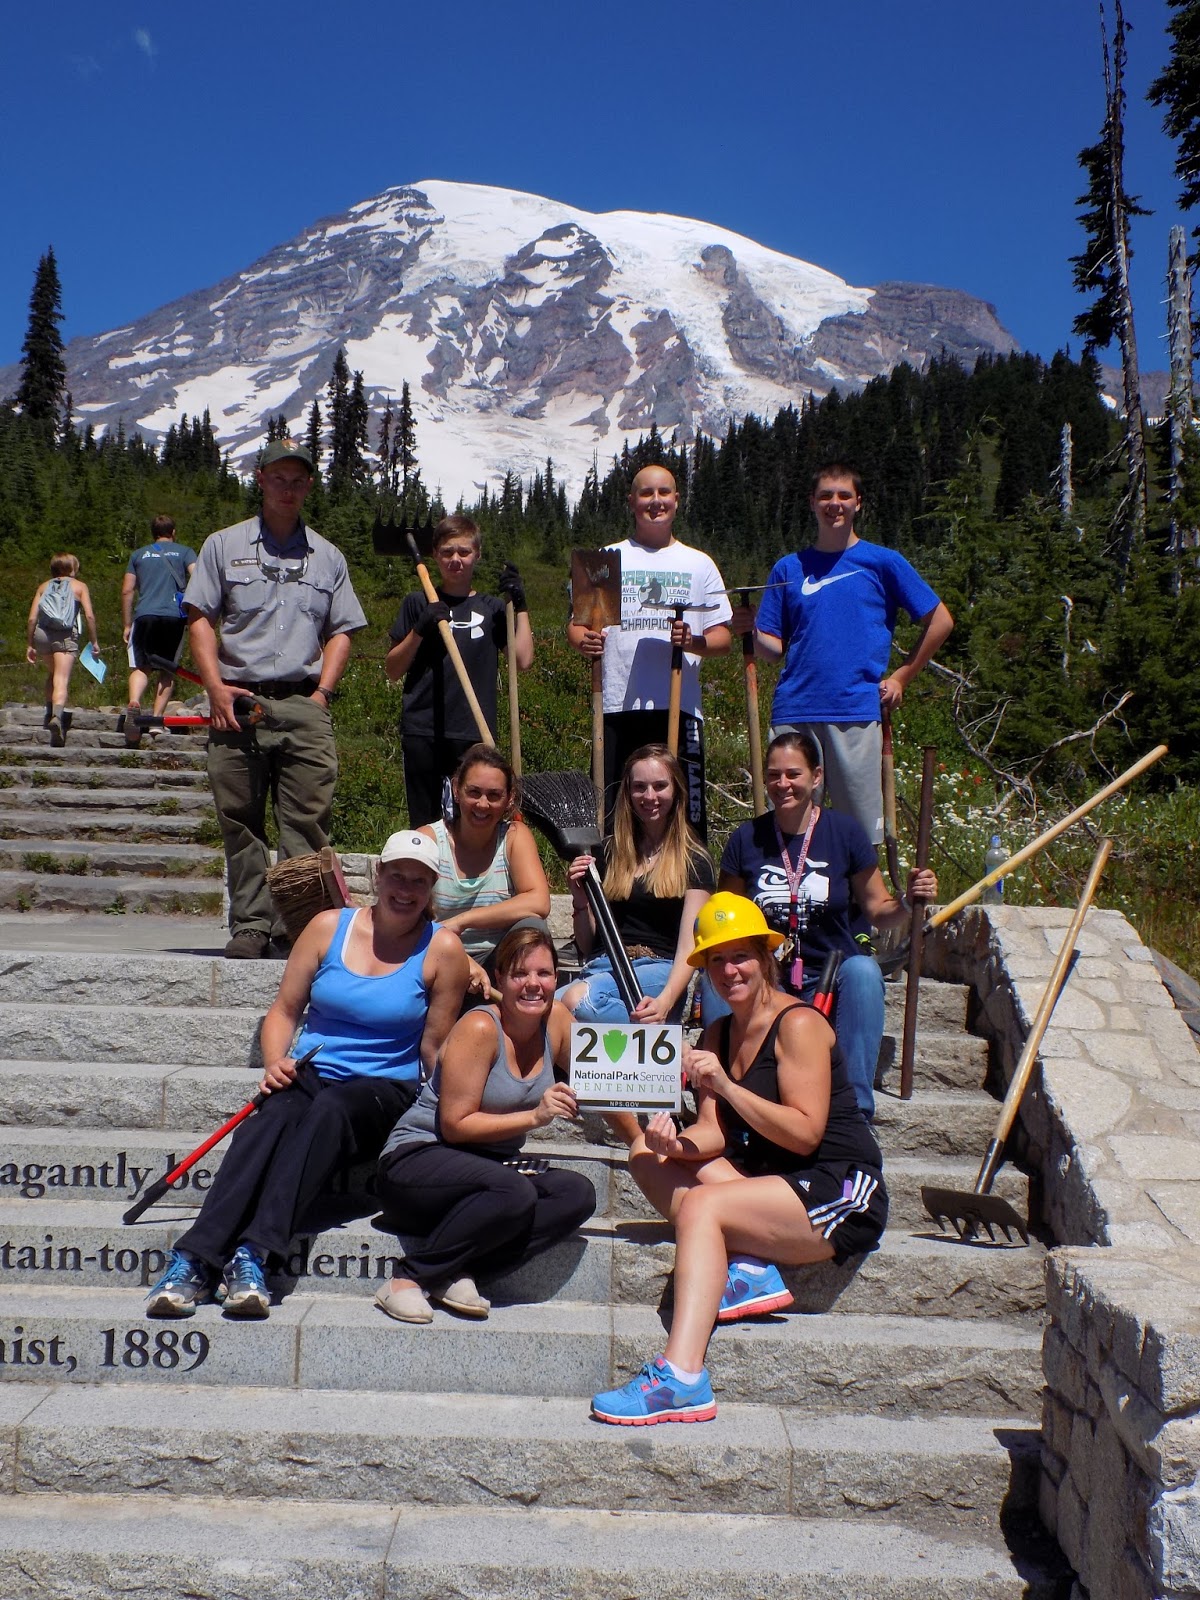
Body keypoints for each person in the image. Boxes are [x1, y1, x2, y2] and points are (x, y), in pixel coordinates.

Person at [145, 830, 469, 1320]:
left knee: (331, 1111)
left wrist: (450, 1117)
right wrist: (275, 1062)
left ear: (432, 889)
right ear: (378, 877)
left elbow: (435, 1047)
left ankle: (255, 1252)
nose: (405, 890)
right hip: (313, 1068)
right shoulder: (325, 927)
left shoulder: (443, 949)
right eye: (397, 876)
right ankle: (194, 1258)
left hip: (384, 1088)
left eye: (418, 882)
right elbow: (283, 1011)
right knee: (270, 1117)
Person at [590, 893, 887, 1426]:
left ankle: (682, 1376)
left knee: (703, 1206)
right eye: (716, 960)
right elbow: (710, 1135)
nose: (729, 970)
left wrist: (725, 1085)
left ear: (765, 957)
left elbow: (804, 1133)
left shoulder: (797, 1024)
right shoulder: (718, 1033)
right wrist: (671, 1146)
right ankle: (748, 1267)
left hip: (839, 1188)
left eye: (740, 955)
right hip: (775, 1183)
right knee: (642, 1155)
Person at [183, 439, 367, 960]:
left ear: (309, 485)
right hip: (236, 702)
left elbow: (343, 629)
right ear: (260, 479)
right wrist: (214, 686)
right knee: (240, 819)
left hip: (302, 703)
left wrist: (323, 693)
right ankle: (250, 924)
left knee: (306, 821)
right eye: (278, 478)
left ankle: (297, 927)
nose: (288, 488)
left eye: (298, 480)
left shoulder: (328, 556)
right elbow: (199, 617)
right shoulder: (222, 545)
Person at [374, 926, 597, 1323]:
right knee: (514, 1193)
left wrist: (653, 1045)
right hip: (418, 1160)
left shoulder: (558, 1021)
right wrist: (535, 1116)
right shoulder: (480, 1028)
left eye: (544, 974)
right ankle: (406, 1280)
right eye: (519, 974)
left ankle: (458, 1270)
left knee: (575, 1193)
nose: (533, 985)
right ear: (499, 979)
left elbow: (608, 1078)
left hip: (487, 1177)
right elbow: (455, 1125)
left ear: (557, 979)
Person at [718, 730, 937, 1120]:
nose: (782, 784)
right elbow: (726, 917)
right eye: (773, 775)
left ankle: (854, 1113)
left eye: (793, 774)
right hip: (768, 979)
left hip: (832, 977)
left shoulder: (846, 833)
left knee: (865, 971)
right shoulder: (746, 839)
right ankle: (726, 1099)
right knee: (720, 969)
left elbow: (878, 909)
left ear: (816, 777)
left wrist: (908, 900)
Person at [741, 461, 953, 845]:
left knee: (859, 836)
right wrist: (749, 626)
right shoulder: (788, 568)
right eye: (825, 496)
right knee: (788, 829)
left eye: (843, 496)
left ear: (858, 503)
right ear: (812, 502)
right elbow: (772, 650)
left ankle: (862, 905)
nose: (834, 504)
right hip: (795, 712)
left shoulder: (883, 562)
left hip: (856, 711)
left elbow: (940, 621)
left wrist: (902, 676)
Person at [566, 464, 731, 840]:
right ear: (631, 501)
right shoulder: (606, 558)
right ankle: (616, 887)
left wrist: (693, 641)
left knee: (683, 807)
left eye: (663, 493)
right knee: (615, 805)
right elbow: (576, 625)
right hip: (616, 705)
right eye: (646, 494)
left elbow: (722, 638)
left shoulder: (698, 563)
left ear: (676, 499)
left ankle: (683, 887)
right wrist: (582, 640)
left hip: (678, 705)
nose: (655, 502)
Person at [385, 514, 532, 827]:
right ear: (435, 554)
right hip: (423, 728)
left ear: (476, 555)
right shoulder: (417, 602)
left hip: (474, 730)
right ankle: (428, 874)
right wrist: (420, 629)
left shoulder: (492, 609)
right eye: (448, 552)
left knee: (475, 820)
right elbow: (393, 669)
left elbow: (522, 661)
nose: (456, 559)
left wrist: (520, 607)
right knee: (425, 821)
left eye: (464, 552)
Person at [558, 744, 714, 1029]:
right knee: (542, 1012)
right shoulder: (607, 853)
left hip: (659, 970)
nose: (650, 796)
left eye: (660, 786)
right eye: (639, 787)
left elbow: (690, 946)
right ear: (628, 793)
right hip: (603, 965)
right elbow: (585, 944)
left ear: (676, 790)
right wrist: (580, 899)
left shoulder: (694, 860)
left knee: (580, 1001)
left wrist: (666, 1002)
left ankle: (668, 1039)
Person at [419, 743, 551, 1001]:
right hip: (439, 959)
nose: (482, 804)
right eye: (474, 792)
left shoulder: (514, 837)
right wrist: (461, 958)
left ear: (509, 799)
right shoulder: (429, 840)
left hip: (500, 965)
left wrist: (463, 920)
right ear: (456, 790)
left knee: (533, 928)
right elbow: (409, 915)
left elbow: (539, 903)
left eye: (494, 795)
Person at [121, 514, 198, 745]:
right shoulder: (185, 552)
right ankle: (156, 721)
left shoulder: (138, 555)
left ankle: (134, 703)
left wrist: (126, 623)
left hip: (145, 614)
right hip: (174, 616)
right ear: (173, 532)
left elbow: (127, 590)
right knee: (167, 670)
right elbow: (197, 576)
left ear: (153, 533)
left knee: (140, 666)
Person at [25, 554, 99, 748]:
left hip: (43, 634)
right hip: (65, 635)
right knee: (62, 678)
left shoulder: (43, 587)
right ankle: (57, 717)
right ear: (72, 568)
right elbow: (89, 616)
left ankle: (49, 712)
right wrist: (94, 641)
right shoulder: (80, 586)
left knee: (52, 673)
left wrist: (30, 643)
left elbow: (32, 618)